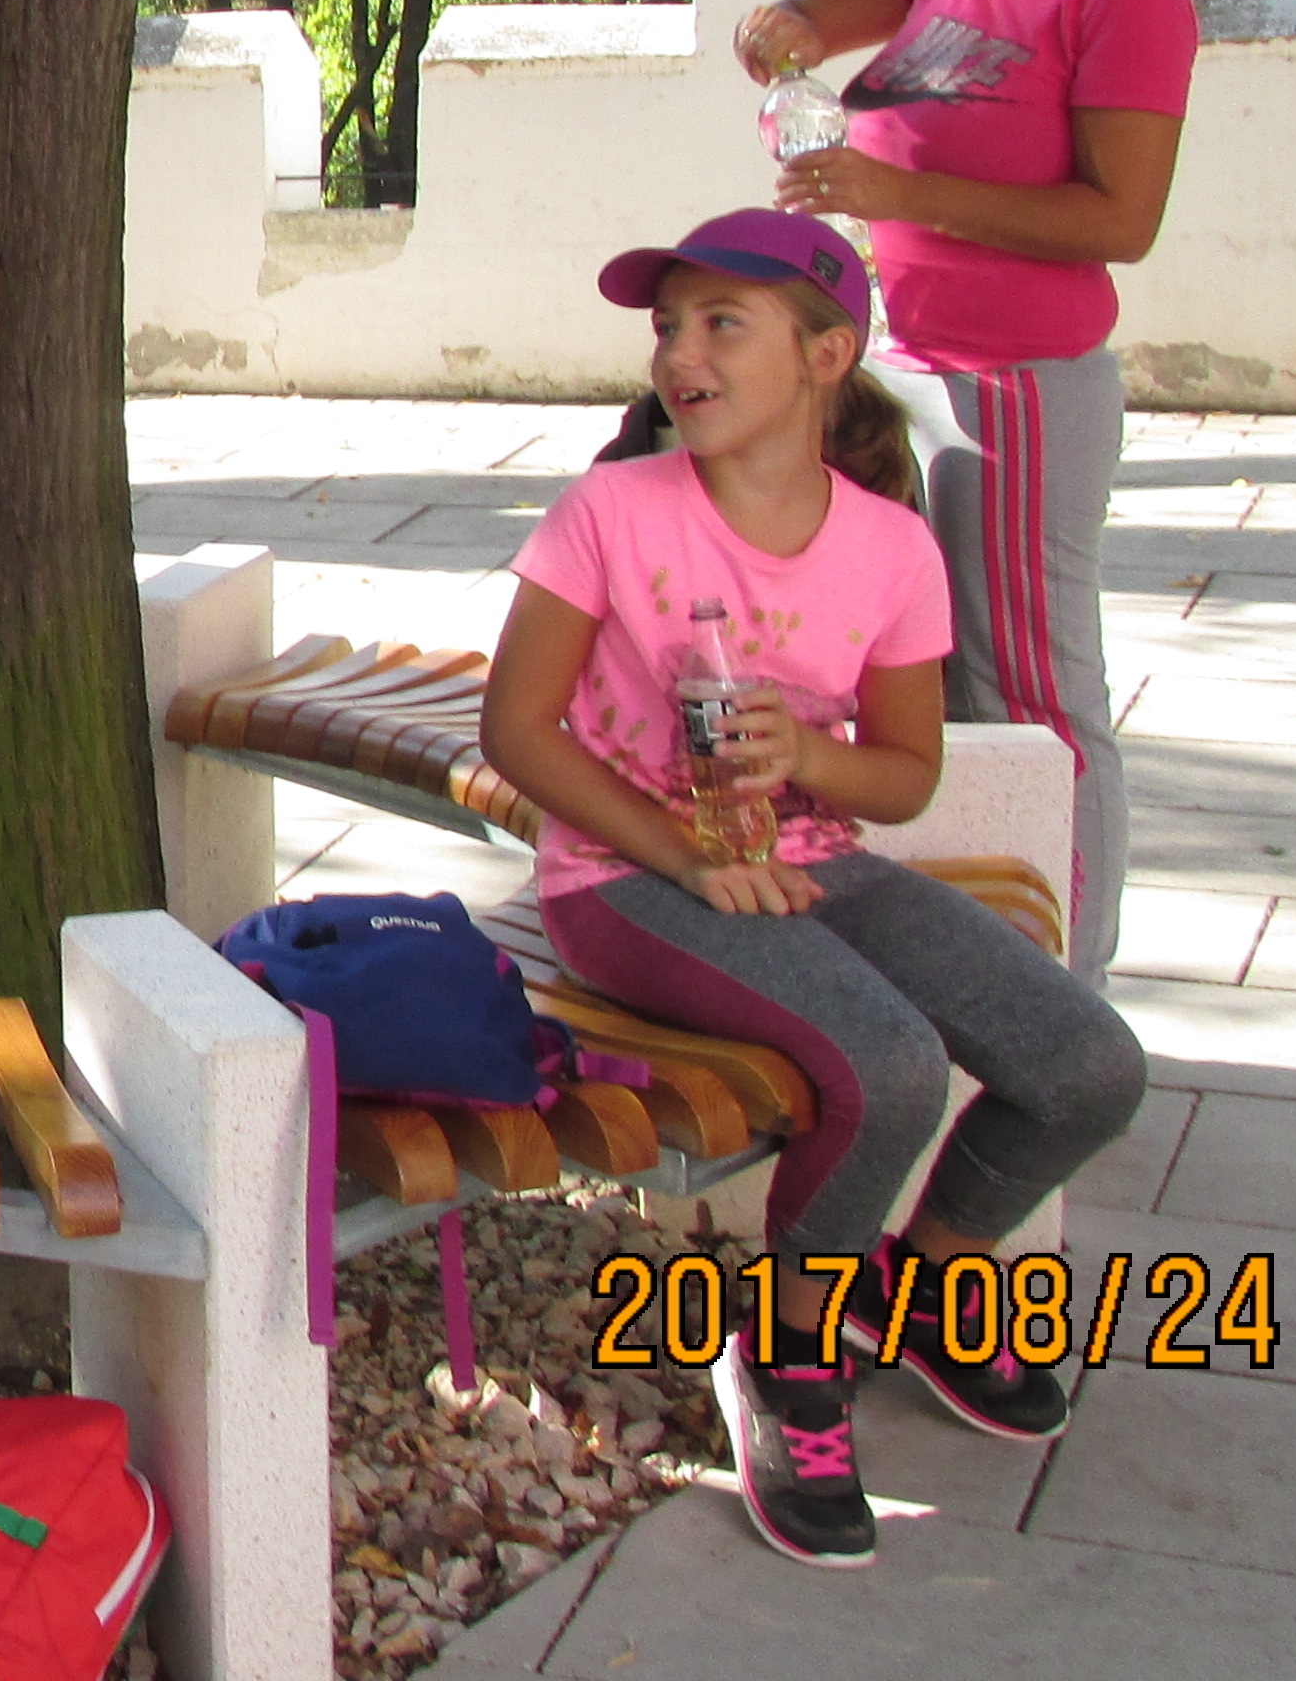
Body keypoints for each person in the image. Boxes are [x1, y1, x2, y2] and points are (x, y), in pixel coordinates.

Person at [483, 208, 1147, 1573]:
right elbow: (517, 732)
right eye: (669, 326)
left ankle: (931, 1279)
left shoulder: (892, 548)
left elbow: (902, 778)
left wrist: (810, 759)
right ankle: (789, 1360)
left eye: (722, 324)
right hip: (625, 878)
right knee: (886, 1065)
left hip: (815, 862)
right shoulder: (612, 512)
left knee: (1087, 1065)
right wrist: (688, 858)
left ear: (827, 353)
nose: (680, 353)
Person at [732, 0, 1198, 984]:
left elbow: (1121, 218)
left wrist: (900, 195)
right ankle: (974, 969)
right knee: (912, 687)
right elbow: (811, 22)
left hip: (1021, 391)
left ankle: (1071, 1001)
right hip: (908, 371)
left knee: (1030, 694)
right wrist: (780, 33)